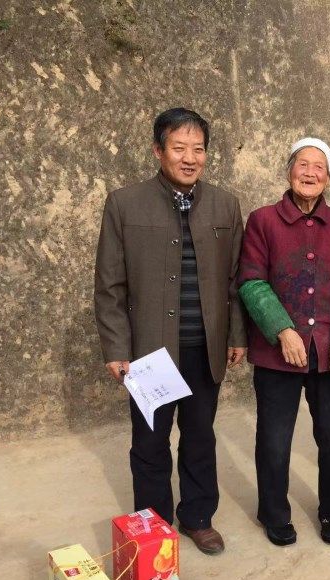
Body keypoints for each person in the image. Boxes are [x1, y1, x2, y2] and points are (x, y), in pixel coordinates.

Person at [94, 107, 246, 555]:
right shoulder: (125, 204)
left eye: (198, 149)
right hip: (149, 352)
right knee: (149, 442)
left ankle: (198, 517)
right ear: (158, 151)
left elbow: (237, 280)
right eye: (179, 148)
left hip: (204, 347)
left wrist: (236, 335)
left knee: (200, 437)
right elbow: (109, 284)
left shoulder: (225, 204)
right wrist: (116, 348)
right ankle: (154, 525)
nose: (189, 158)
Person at [238, 138, 330, 547]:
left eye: (318, 167)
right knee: (274, 441)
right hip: (278, 353)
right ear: (289, 170)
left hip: (329, 352)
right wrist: (283, 329)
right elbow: (252, 281)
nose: (310, 173)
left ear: (329, 178)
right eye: (302, 164)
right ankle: (274, 513)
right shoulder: (262, 221)